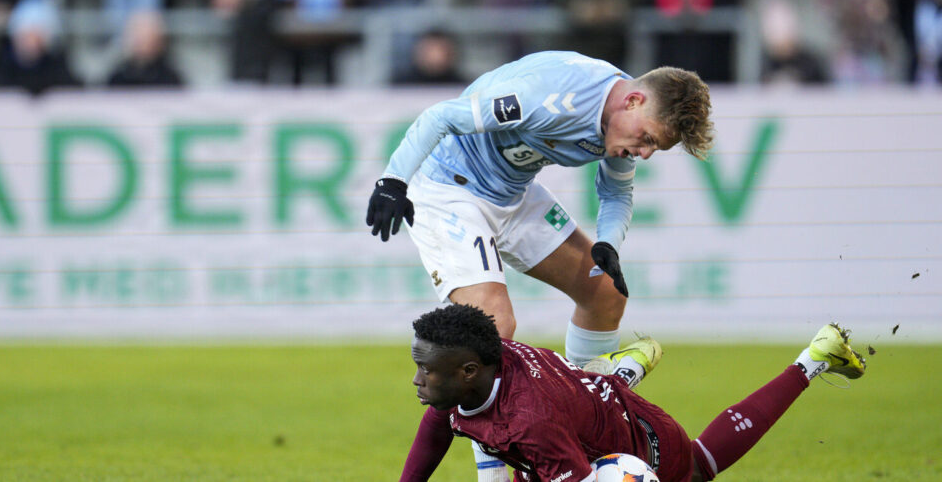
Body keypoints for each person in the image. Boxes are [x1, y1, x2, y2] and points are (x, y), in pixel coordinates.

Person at [367, 52, 714, 481]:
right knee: (492, 329)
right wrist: (392, 181)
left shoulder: (624, 121)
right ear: (634, 100)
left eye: (653, 149)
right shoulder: (552, 95)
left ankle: (584, 417)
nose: (642, 153)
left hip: (512, 193)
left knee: (604, 291)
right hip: (448, 188)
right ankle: (493, 476)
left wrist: (607, 243)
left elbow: (617, 195)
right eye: (646, 139)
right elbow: (441, 116)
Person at [400, 304, 867, 482]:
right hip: (579, 405)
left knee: (701, 464)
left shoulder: (529, 423)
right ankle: (620, 371)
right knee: (583, 393)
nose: (417, 380)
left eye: (426, 371)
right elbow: (440, 423)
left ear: (467, 372)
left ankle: (813, 359)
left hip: (638, 441)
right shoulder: (489, 356)